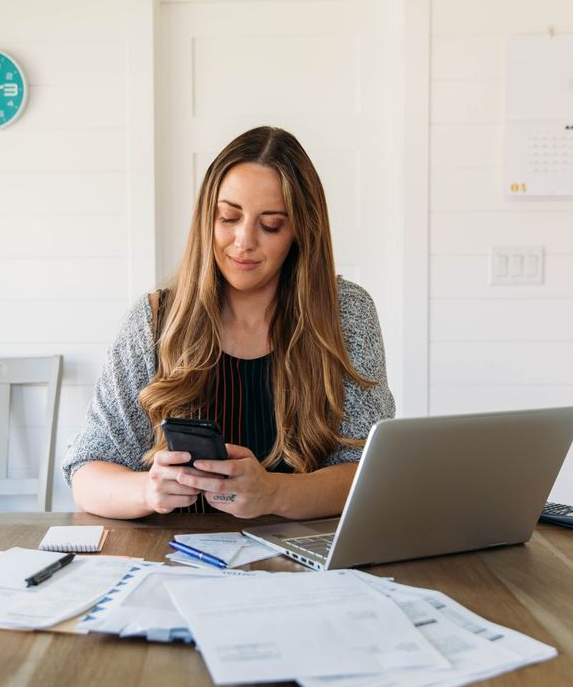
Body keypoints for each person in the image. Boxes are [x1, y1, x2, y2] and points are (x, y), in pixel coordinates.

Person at [63, 126, 394, 519]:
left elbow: (369, 474)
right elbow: (86, 472)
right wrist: (146, 490)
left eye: (270, 224)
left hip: (301, 566)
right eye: (228, 218)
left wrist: (273, 493)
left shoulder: (346, 313)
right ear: (207, 218)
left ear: (301, 231)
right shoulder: (155, 321)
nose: (243, 241)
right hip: (174, 561)